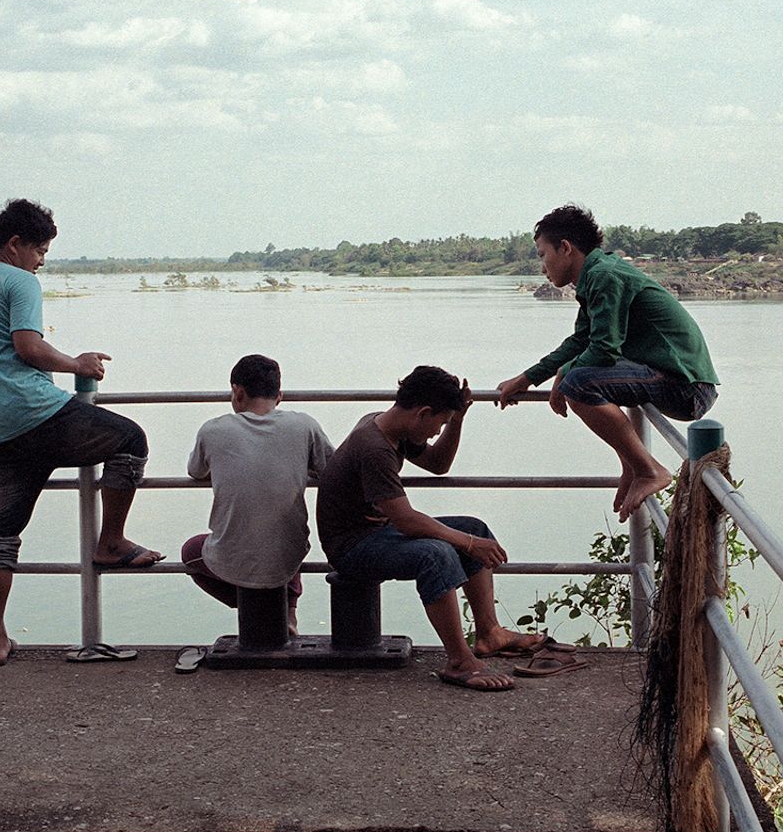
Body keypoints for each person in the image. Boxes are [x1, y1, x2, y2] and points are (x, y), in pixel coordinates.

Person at [0, 198, 163, 666]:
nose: (42, 261)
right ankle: (111, 541)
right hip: (42, 414)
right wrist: (77, 364)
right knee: (131, 440)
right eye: (40, 250)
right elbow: (28, 349)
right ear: (15, 244)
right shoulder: (20, 281)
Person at [316, 364, 545, 691]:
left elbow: (438, 464)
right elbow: (406, 519)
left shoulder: (394, 429)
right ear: (423, 412)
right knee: (435, 554)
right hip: (351, 547)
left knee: (474, 529)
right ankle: (459, 661)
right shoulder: (375, 447)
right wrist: (467, 544)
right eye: (440, 422)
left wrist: (458, 420)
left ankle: (489, 634)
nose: (438, 431)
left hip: (378, 531)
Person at [496, 204, 718, 523]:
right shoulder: (596, 276)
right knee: (578, 377)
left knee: (579, 383)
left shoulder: (605, 275)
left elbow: (604, 348)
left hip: (687, 386)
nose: (542, 267)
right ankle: (633, 464)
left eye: (543, 255)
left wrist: (564, 375)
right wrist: (529, 378)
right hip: (672, 378)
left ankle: (648, 469)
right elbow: (581, 341)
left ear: (566, 249)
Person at [183, 354, 333, 634]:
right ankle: (286, 611)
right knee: (283, 524)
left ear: (237, 393)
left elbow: (196, 471)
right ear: (280, 396)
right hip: (289, 553)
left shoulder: (213, 429)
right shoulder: (305, 425)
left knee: (191, 551)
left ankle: (259, 610)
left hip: (231, 557)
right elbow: (331, 468)